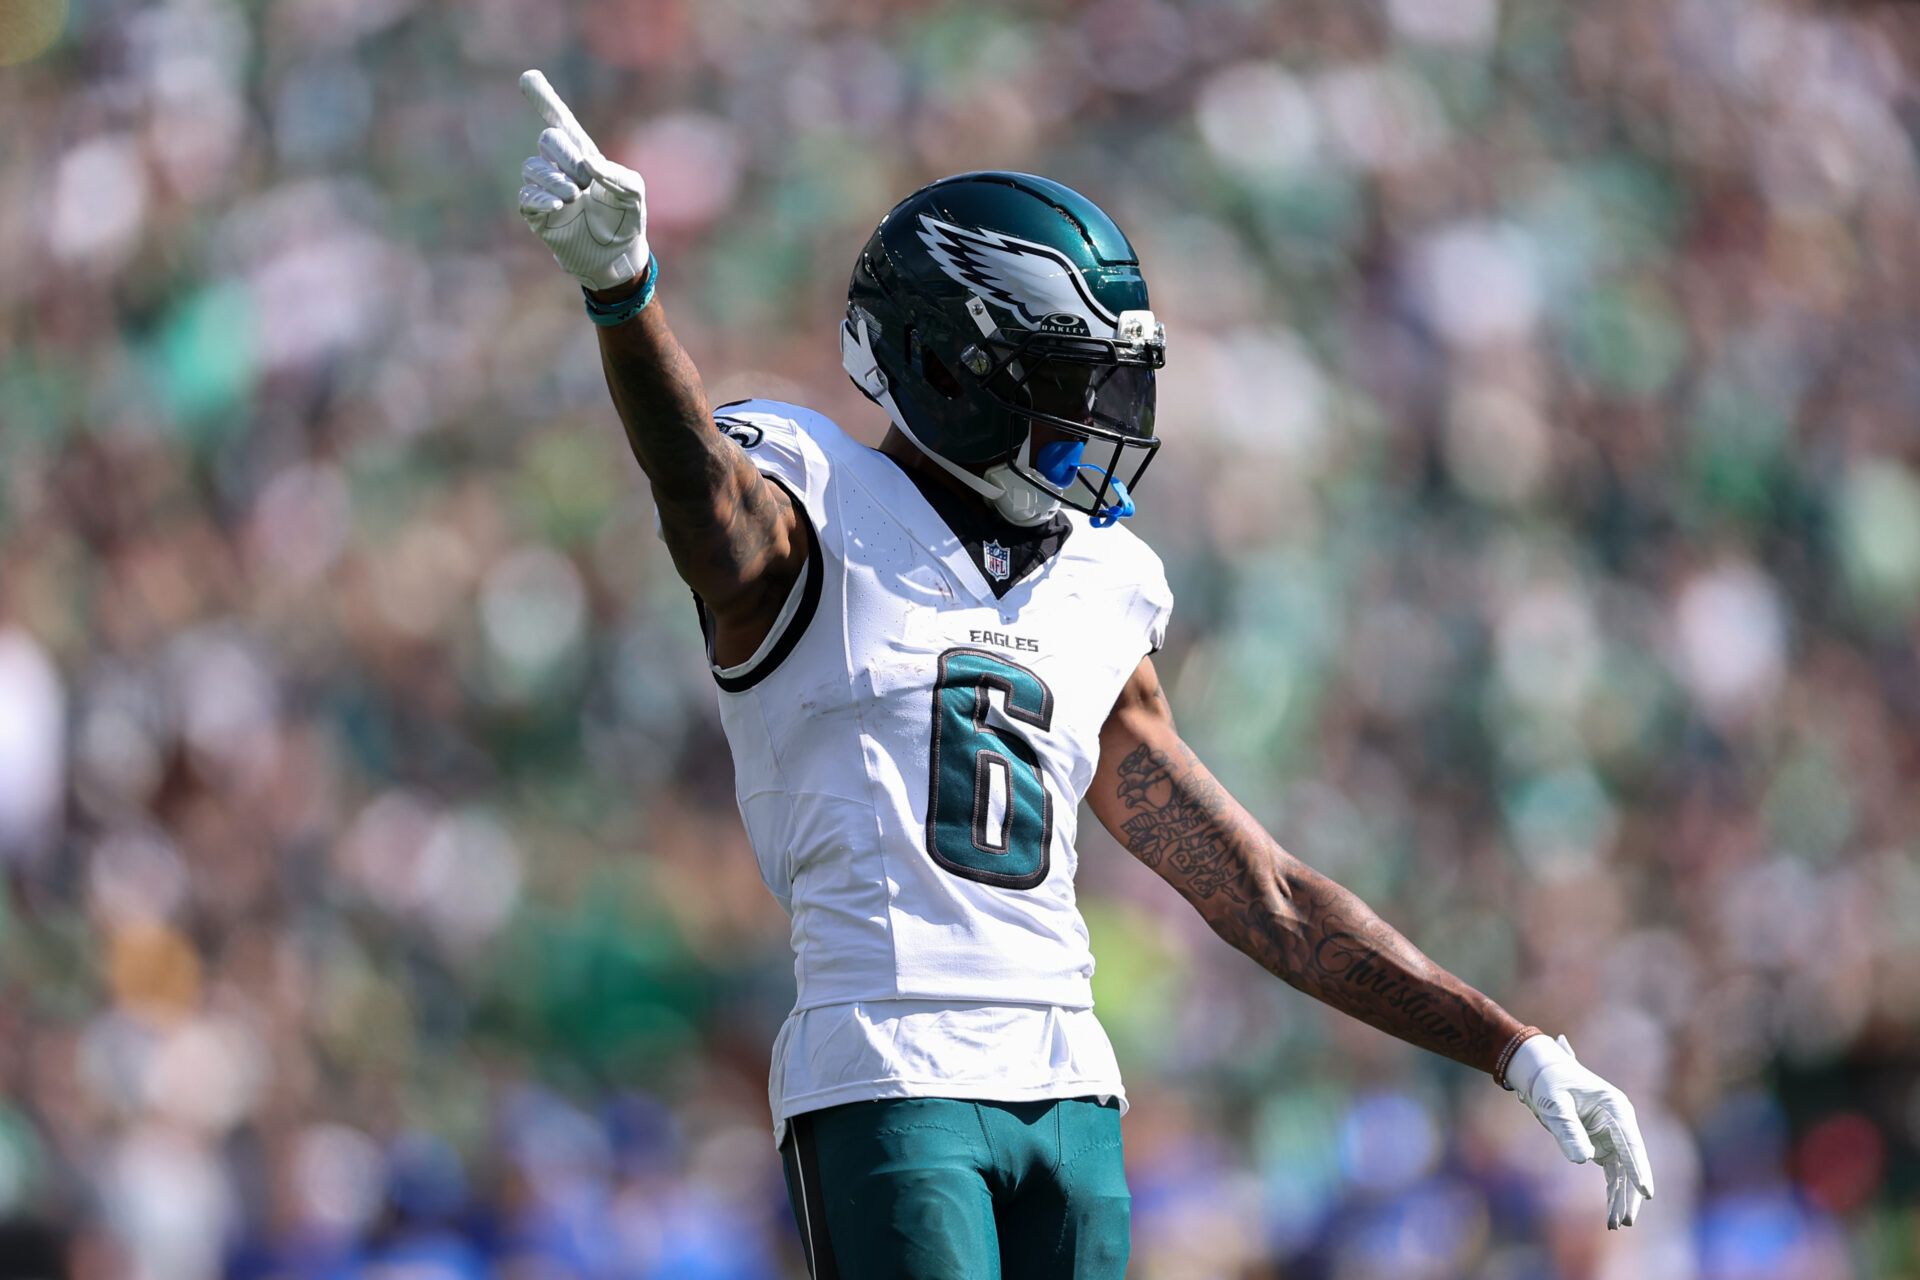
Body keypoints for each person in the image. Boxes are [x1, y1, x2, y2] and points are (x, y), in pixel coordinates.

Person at [514, 70, 1655, 1278]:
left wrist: (1514, 1046)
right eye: (1072, 386)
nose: (1105, 419)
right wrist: (625, 295)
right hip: (891, 1071)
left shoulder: (1100, 582)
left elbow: (1259, 891)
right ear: (950, 369)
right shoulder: (814, 499)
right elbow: (705, 502)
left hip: (1071, 1082)